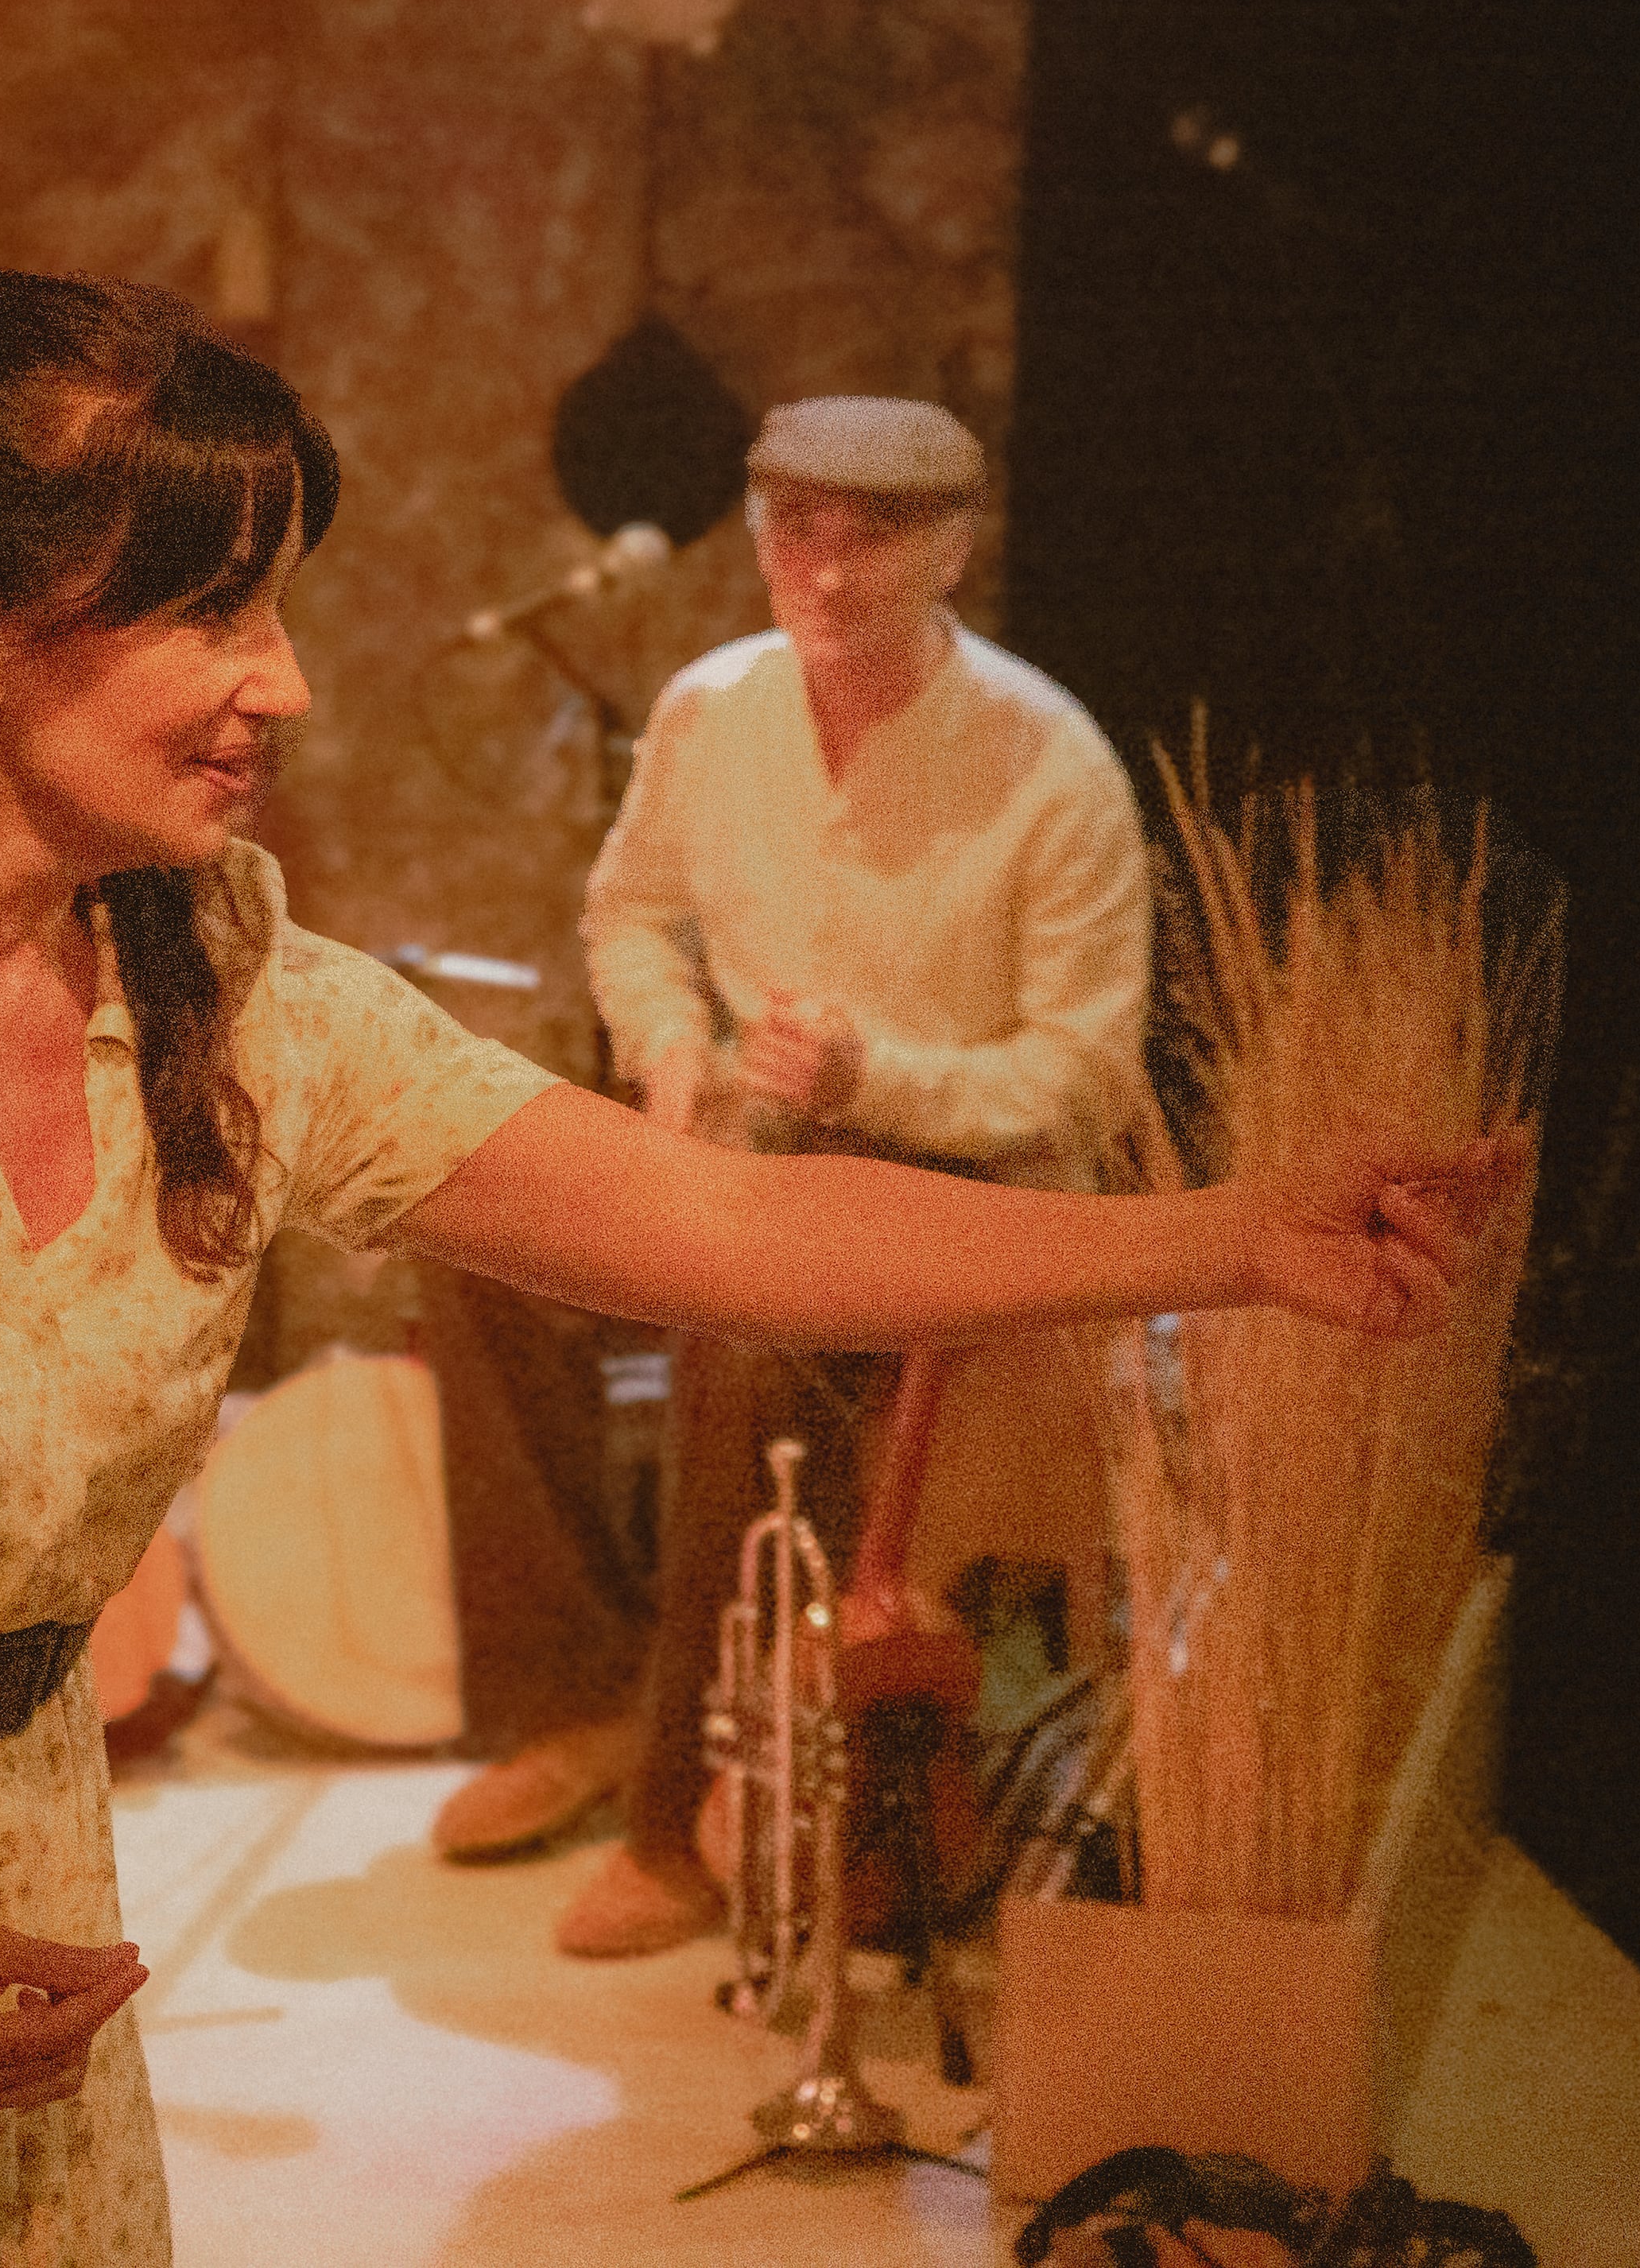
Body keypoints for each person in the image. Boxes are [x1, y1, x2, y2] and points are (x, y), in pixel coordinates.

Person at [0, 267, 1508, 2268]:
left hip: (15, 1921)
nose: (280, 683)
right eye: (212, 610)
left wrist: (1232, 1235)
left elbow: (731, 1221)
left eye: (277, 607)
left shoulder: (226, 992)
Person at [423, 393, 1155, 1959]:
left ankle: (675, 1813)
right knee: (471, 1233)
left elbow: (1087, 1076)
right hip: (763, 1143)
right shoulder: (711, 707)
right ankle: (588, 1691)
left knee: (743, 1332)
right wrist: (669, 1051)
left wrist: (873, 1079)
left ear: (952, 547)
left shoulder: (1049, 761)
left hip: (972, 1182)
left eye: (871, 536)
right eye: (794, 530)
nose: (823, 571)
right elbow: (630, 912)